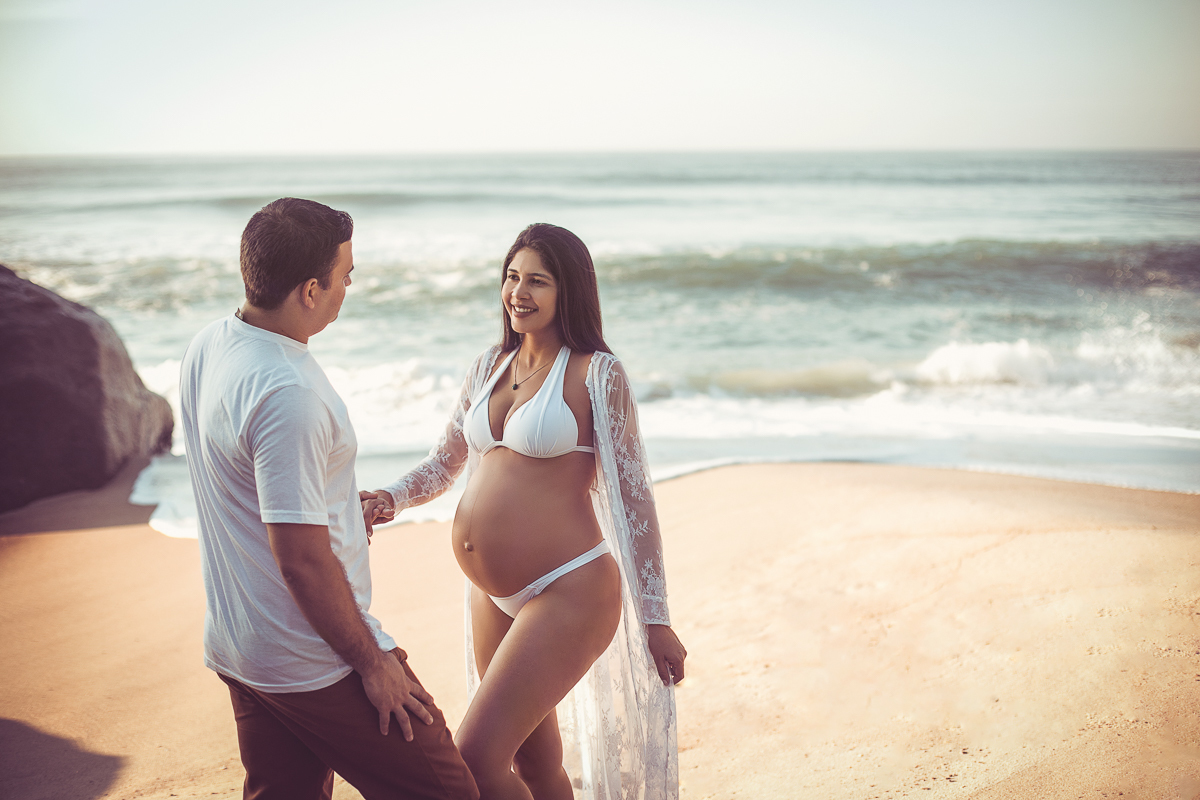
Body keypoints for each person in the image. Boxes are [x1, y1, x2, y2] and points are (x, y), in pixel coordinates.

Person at [360, 223, 687, 800]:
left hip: (570, 589)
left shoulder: (596, 373)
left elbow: (633, 498)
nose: (519, 292)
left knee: (475, 764)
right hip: (494, 596)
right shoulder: (490, 363)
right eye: (512, 277)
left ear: (571, 292)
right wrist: (391, 498)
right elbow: (446, 460)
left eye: (538, 281)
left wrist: (655, 618)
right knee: (535, 768)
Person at [179, 197, 477, 800]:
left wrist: (342, 508)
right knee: (446, 792)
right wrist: (373, 664)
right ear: (310, 290)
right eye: (345, 276)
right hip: (311, 660)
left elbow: (248, 491)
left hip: (243, 646)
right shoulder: (288, 391)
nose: (349, 288)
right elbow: (302, 559)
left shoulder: (211, 344)